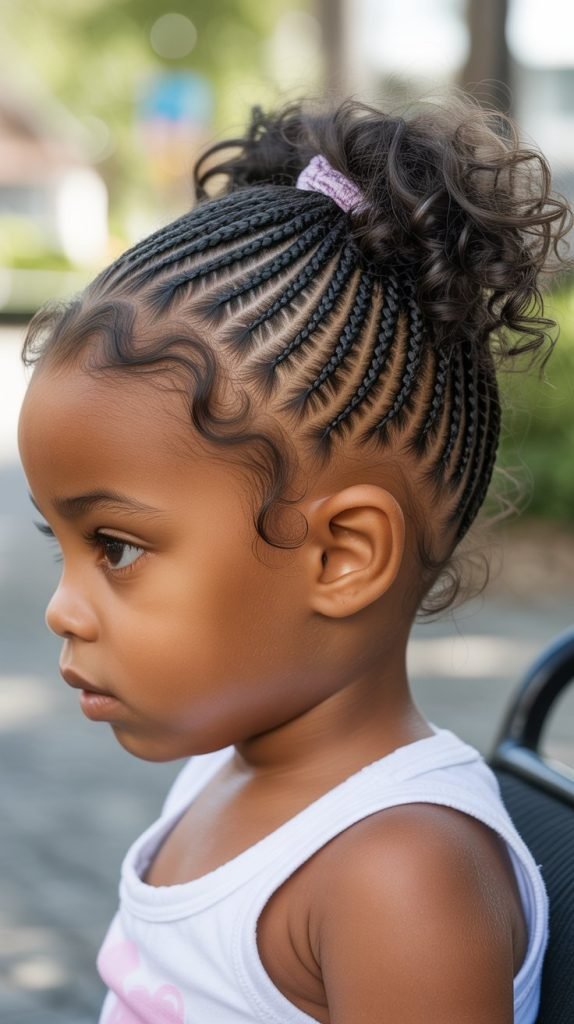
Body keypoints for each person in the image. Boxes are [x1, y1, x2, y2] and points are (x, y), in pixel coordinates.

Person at [18, 95, 571, 1024]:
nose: (61, 610)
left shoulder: (394, 876)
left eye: (115, 546)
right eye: (59, 543)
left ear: (344, 556)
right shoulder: (222, 770)